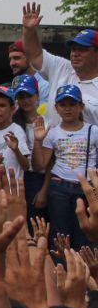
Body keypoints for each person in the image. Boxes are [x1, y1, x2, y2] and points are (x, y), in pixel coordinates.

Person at [34, 84, 96, 250]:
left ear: (81, 107)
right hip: (59, 186)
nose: (68, 109)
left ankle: (85, 273)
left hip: (86, 189)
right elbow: (40, 164)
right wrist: (38, 140)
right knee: (60, 235)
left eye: (72, 104)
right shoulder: (53, 133)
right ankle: (61, 271)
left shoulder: (93, 131)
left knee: (85, 235)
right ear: (56, 108)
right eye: (63, 105)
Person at [21, 3, 98, 128]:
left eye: (82, 49)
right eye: (73, 49)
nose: (75, 54)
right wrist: (29, 31)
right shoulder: (62, 67)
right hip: (52, 146)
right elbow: (34, 55)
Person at [11, 73, 48, 218]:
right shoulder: (11, 123)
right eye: (21, 97)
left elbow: (51, 162)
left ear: (37, 95)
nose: (25, 100)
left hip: (38, 178)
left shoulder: (47, 123)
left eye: (29, 96)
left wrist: (44, 190)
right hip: (17, 177)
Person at [9, 39, 51, 106]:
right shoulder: (14, 84)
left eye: (17, 58)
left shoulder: (44, 85)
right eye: (10, 59)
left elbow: (44, 115)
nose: (12, 63)